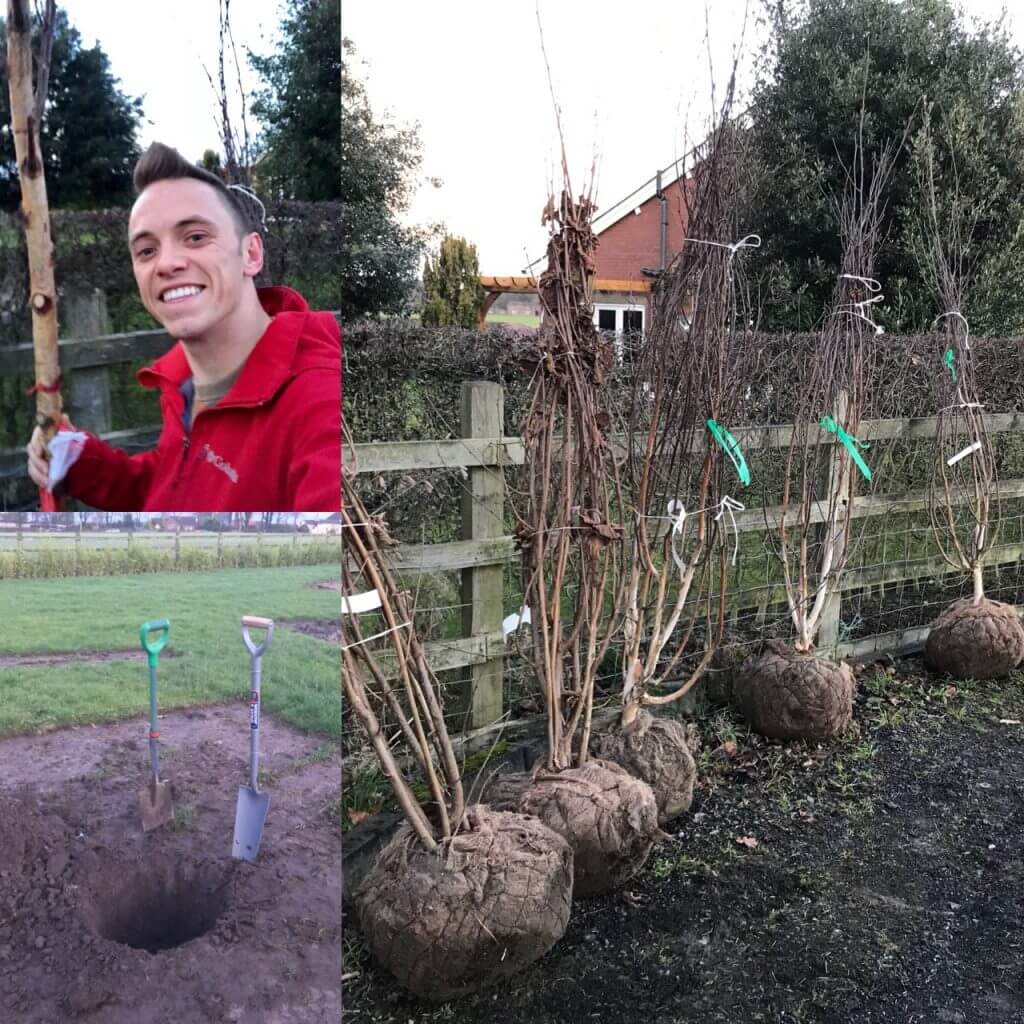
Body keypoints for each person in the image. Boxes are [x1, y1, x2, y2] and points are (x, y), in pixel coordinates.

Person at [26, 142, 341, 512]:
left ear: (251, 254)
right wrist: (83, 463)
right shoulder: (185, 385)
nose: (167, 263)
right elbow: (175, 489)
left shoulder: (319, 402)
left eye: (195, 237)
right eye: (146, 250)